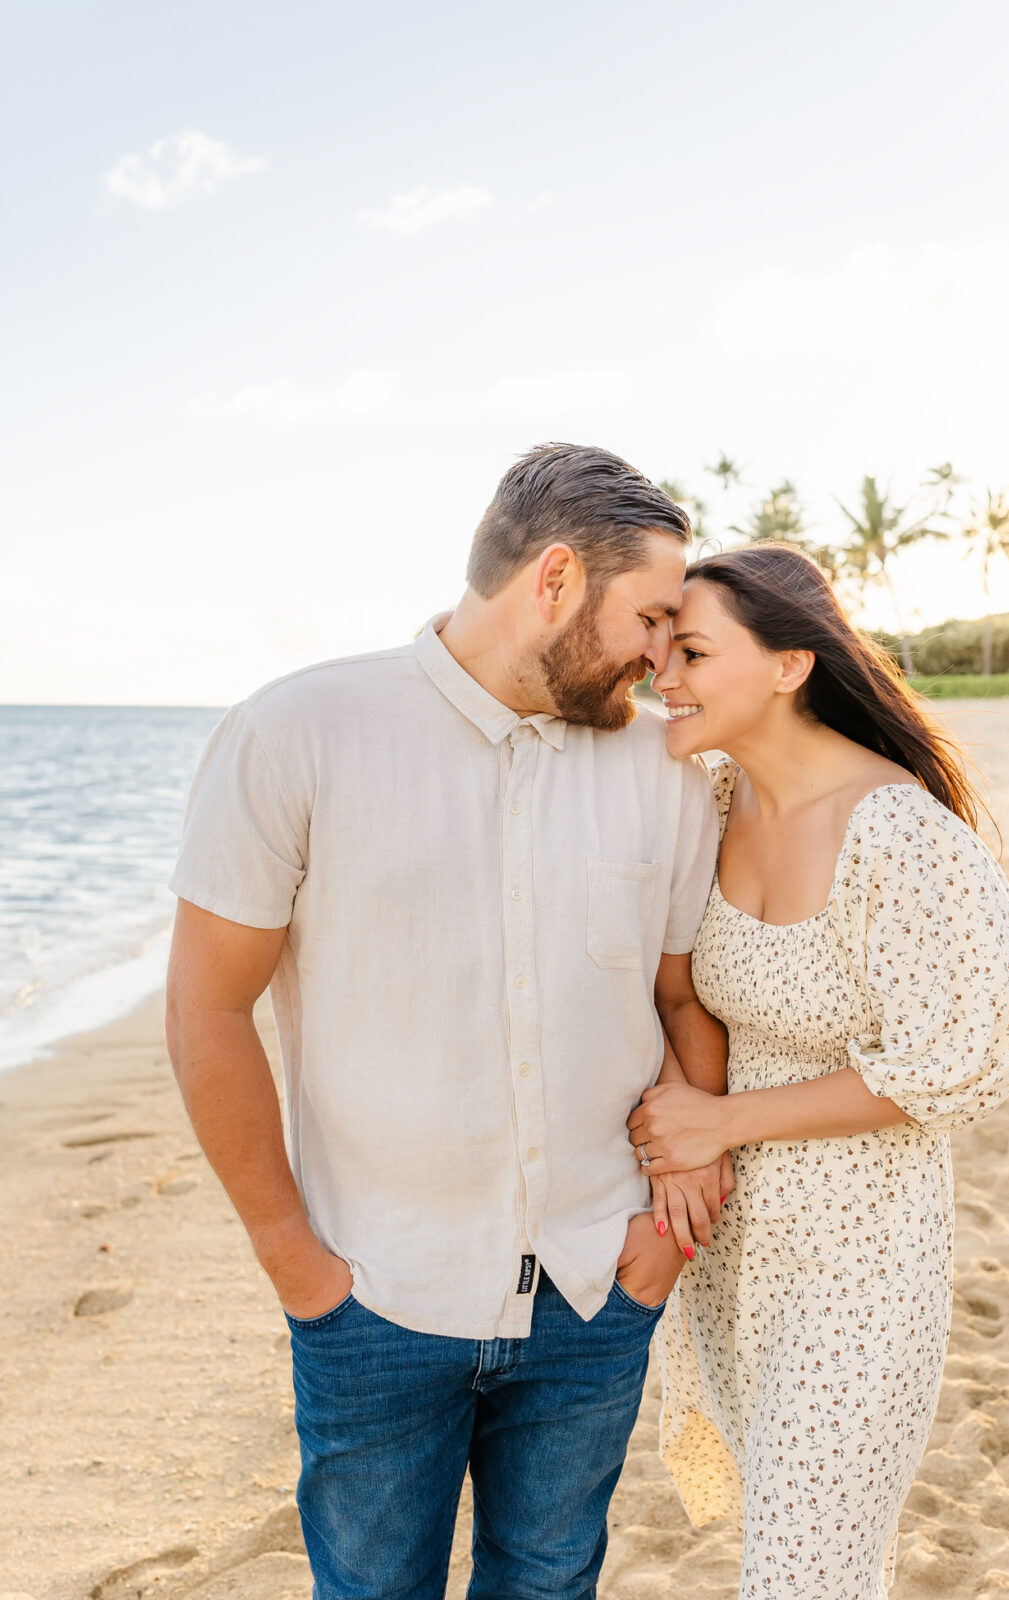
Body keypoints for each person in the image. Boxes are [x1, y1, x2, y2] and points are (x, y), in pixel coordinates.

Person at [165, 442, 732, 1600]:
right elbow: (206, 1004)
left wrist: (663, 1243)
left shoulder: (660, 766)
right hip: (373, 1294)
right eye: (651, 617)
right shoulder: (297, 731)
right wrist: (293, 1258)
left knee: (548, 1585)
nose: (662, 655)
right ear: (557, 580)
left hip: (593, 1287)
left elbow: (682, 1000)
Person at [627, 543, 1009, 1599]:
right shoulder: (707, 800)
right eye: (657, 651)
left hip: (859, 1258)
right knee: (811, 1558)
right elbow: (670, 988)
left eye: (692, 652)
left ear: (789, 665)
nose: (659, 676)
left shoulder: (894, 833)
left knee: (801, 1576)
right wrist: (685, 1140)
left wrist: (721, 1122)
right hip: (734, 1251)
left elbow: (956, 1063)